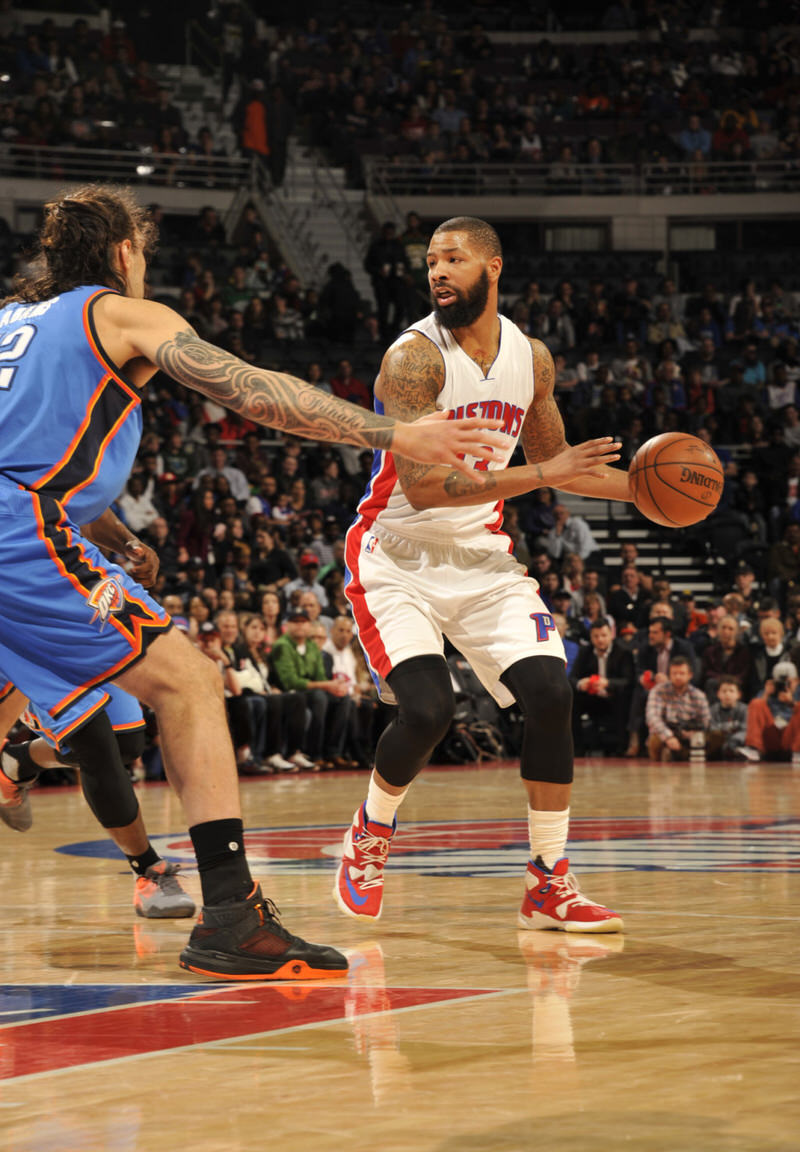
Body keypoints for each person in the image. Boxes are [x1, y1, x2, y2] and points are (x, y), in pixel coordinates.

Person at [0, 186, 504, 982]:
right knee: (192, 683)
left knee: (129, 708)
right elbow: (249, 389)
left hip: (29, 522)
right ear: (124, 252)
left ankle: (37, 772)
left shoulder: (9, 324)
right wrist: (394, 431)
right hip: (16, 535)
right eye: (144, 249)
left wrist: (112, 533)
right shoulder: (121, 314)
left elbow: (25, 452)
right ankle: (231, 914)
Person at [334, 215, 630, 934]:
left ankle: (548, 880)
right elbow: (430, 487)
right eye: (431, 260)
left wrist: (648, 492)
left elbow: (567, 466)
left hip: (480, 555)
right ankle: (369, 836)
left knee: (550, 692)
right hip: (397, 553)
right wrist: (541, 474)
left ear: (492, 268)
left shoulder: (533, 357)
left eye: (454, 259)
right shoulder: (413, 359)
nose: (437, 271)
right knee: (429, 711)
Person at [0, 682, 195, 918]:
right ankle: (147, 870)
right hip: (27, 657)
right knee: (93, 741)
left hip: (86, 646)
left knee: (125, 743)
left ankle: (16, 761)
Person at [569, 620, 634, 756]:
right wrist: (582, 683)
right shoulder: (585, 652)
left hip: (614, 697)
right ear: (591, 638)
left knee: (625, 698)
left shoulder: (623, 652)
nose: (600, 640)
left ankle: (620, 747)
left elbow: (628, 681)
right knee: (572, 701)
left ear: (611, 635)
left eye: (604, 635)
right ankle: (577, 748)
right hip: (592, 696)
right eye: (596, 636)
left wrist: (608, 683)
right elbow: (572, 678)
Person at [645, 655, 711, 762]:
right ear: (669, 675)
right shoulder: (658, 691)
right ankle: (667, 755)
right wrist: (668, 736)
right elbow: (652, 717)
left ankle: (684, 755)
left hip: (690, 735)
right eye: (674, 673)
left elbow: (706, 721)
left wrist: (693, 732)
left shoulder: (698, 695)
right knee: (655, 739)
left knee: (712, 737)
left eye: (682, 673)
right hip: (666, 732)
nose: (678, 677)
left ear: (690, 675)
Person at [706, 677, 748, 760]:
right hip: (718, 746)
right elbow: (712, 729)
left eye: (731, 691)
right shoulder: (712, 710)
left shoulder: (745, 709)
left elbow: (745, 729)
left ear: (738, 694)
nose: (727, 694)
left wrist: (733, 740)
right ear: (718, 694)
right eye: (724, 691)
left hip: (738, 744)